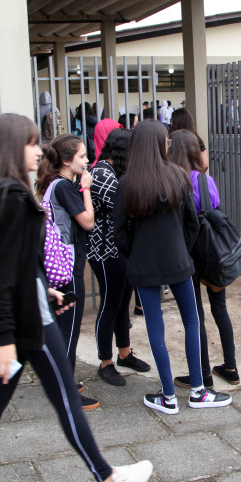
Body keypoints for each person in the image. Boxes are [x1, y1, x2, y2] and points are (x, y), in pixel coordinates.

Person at [0, 113, 152, 482]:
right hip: (26, 324)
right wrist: (2, 338)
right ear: (12, 148)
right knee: (65, 397)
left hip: (26, 313)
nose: (39, 150)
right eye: (31, 143)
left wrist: (45, 289)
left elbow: (13, 264)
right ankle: (107, 476)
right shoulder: (9, 198)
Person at [113, 121, 232, 414]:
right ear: (159, 144)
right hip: (179, 261)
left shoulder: (128, 182)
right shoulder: (178, 175)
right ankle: (198, 391)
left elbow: (120, 234)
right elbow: (192, 225)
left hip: (145, 265)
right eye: (166, 141)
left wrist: (139, 253)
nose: (168, 145)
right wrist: (180, 248)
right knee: (191, 321)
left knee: (156, 327)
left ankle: (167, 396)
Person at [168, 129, 240, 386]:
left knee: (194, 314)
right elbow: (214, 207)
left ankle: (204, 373)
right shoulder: (204, 180)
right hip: (212, 253)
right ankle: (231, 367)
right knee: (219, 308)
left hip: (187, 253)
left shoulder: (174, 180)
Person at [35, 134, 98, 410]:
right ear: (66, 161)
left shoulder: (54, 184)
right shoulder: (65, 187)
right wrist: (85, 189)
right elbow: (87, 222)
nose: (86, 161)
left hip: (58, 268)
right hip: (68, 269)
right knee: (69, 332)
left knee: (62, 329)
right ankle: (66, 391)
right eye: (82, 157)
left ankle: (61, 381)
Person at [87, 128, 152, 387]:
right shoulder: (102, 172)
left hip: (119, 249)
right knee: (110, 304)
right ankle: (105, 361)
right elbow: (126, 205)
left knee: (122, 302)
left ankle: (124, 353)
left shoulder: (115, 172)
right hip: (104, 252)